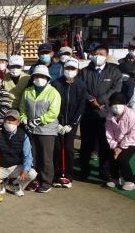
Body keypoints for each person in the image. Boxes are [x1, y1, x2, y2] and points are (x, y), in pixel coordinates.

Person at [78, 45, 122, 182]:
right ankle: (84, 171)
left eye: (101, 53)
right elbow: (80, 87)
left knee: (105, 145)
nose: (98, 56)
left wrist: (102, 101)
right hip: (88, 113)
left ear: (107, 55)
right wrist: (91, 100)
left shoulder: (114, 72)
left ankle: (105, 171)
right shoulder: (84, 71)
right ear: (91, 55)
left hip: (106, 114)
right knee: (86, 144)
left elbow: (116, 89)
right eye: (96, 53)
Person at [18, 64, 61, 193]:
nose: (39, 79)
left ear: (47, 78)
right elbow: (22, 108)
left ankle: (47, 182)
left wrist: (38, 120)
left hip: (47, 130)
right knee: (33, 156)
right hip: (31, 129)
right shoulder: (28, 91)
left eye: (42, 76)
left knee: (46, 157)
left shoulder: (53, 92)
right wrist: (24, 119)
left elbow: (53, 112)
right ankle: (34, 180)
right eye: (37, 76)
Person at [0, 110, 37, 197]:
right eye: (7, 120)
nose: (9, 122)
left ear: (18, 122)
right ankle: (0, 185)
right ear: (4, 121)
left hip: (15, 167)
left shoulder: (23, 135)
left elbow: (28, 156)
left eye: (12, 120)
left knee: (32, 173)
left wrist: (26, 170)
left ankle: (15, 184)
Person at [51, 58, 86, 188]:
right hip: (57, 123)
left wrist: (72, 124)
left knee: (69, 148)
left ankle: (68, 175)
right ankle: (57, 175)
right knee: (58, 148)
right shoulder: (56, 83)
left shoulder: (81, 85)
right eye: (68, 68)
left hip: (72, 123)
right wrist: (57, 123)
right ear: (63, 69)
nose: (70, 71)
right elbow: (53, 104)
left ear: (77, 70)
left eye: (72, 69)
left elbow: (81, 107)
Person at [106, 93, 135, 191]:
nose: (117, 107)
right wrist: (114, 146)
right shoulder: (109, 116)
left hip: (132, 141)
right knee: (112, 156)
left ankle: (131, 181)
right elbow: (108, 133)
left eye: (120, 103)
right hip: (117, 141)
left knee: (122, 159)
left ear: (125, 104)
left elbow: (133, 134)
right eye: (114, 104)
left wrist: (121, 148)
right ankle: (115, 178)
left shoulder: (133, 116)